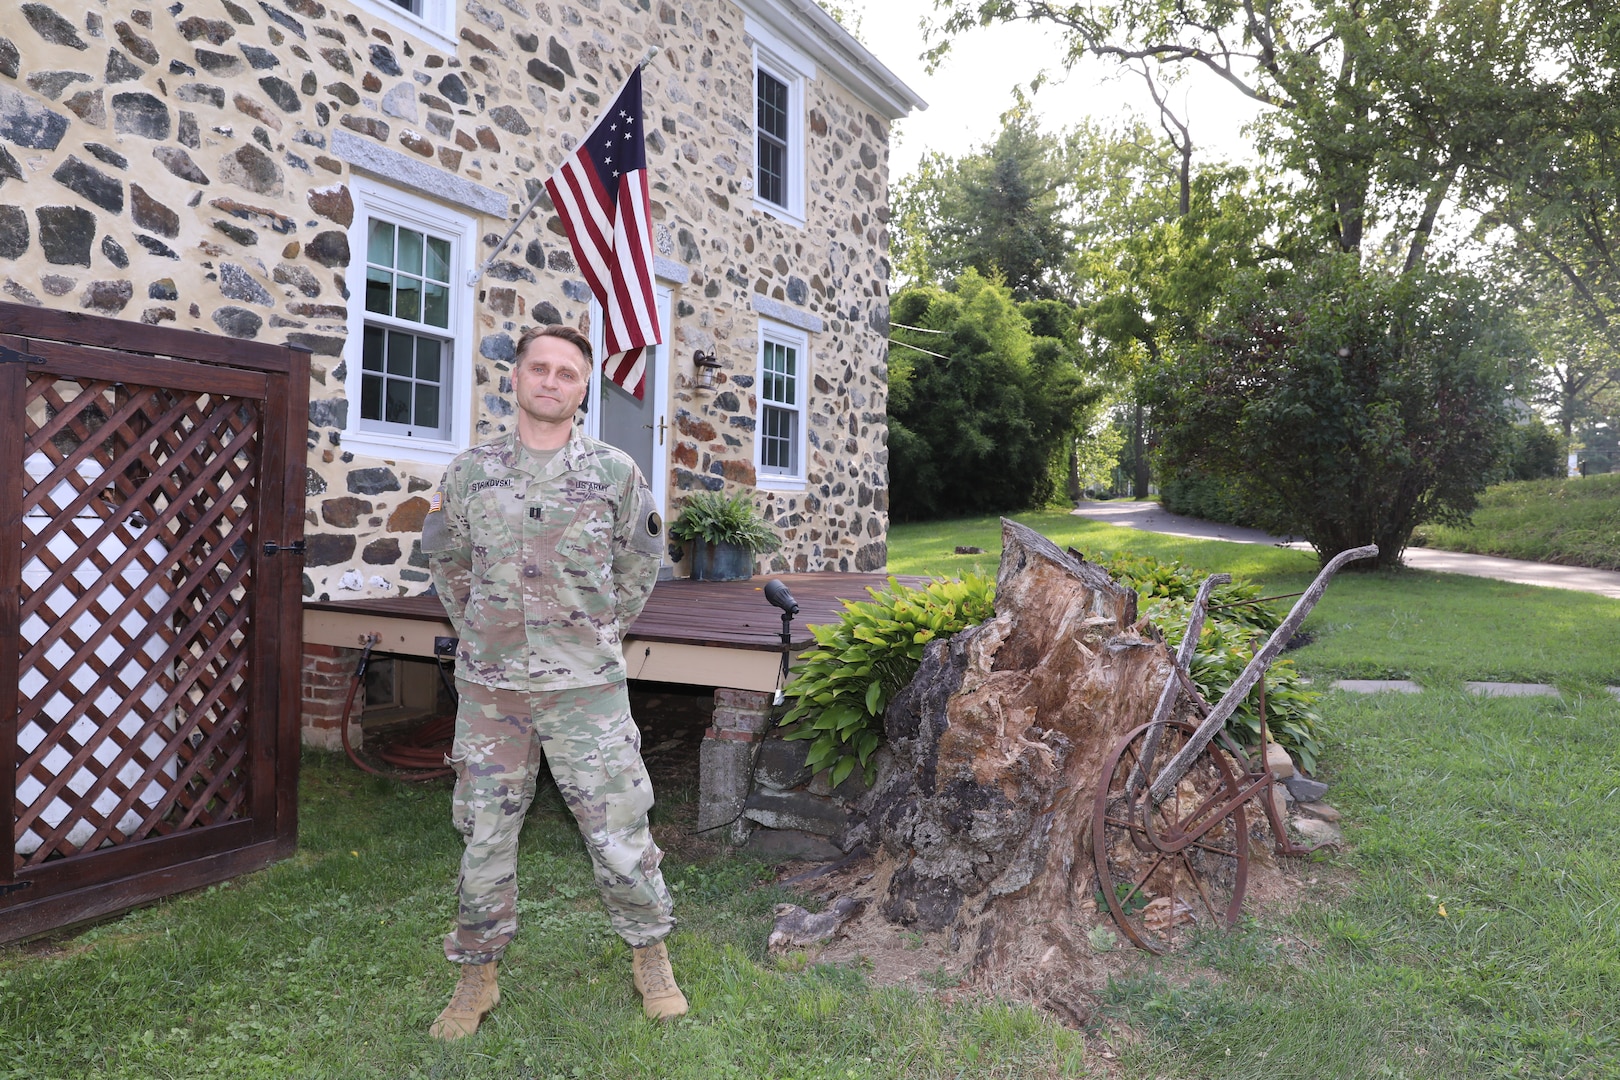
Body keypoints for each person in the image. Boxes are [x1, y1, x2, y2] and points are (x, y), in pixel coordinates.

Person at [420, 323, 683, 1037]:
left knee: (620, 831)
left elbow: (639, 564)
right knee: (483, 834)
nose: (551, 381)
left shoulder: (616, 474)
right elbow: (446, 564)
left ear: (583, 388)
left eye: (567, 372)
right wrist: (483, 631)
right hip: (492, 691)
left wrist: (595, 634)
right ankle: (476, 977)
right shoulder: (469, 474)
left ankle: (649, 956)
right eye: (539, 368)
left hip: (586, 689)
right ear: (516, 379)